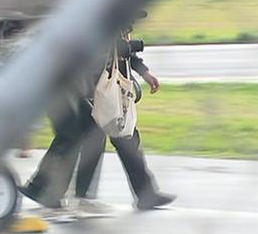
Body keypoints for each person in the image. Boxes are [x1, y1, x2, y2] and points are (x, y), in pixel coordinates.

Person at [19, 19, 173, 217]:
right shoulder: (100, 13)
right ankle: (65, 192)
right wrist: (130, 47)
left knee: (116, 135)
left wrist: (144, 71)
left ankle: (47, 189)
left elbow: (122, 52)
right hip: (85, 86)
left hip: (96, 87)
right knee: (92, 134)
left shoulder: (112, 16)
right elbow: (102, 45)